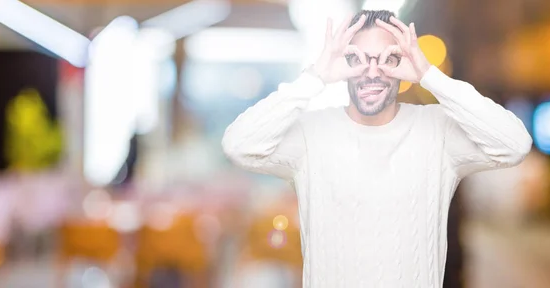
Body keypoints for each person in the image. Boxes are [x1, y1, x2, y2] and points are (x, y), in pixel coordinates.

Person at [222, 9, 532, 288]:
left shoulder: (439, 131)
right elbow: (238, 145)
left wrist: (430, 77)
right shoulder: (310, 134)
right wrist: (315, 77)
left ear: (403, 63)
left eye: (388, 58)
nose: (372, 71)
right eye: (357, 59)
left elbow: (515, 145)